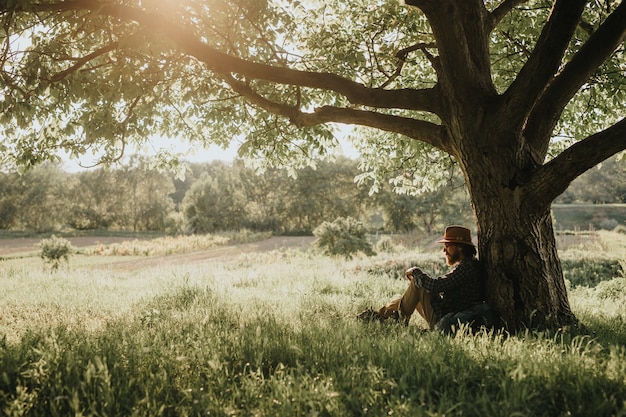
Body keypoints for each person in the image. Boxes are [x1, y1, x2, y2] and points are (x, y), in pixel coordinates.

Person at [358, 225, 493, 333]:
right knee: (418, 285)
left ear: (460, 247)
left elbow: (435, 286)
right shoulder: (468, 265)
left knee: (419, 284)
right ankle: (383, 316)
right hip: (446, 313)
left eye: (447, 246)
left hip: (444, 319)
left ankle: (384, 318)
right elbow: (441, 285)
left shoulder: (468, 267)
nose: (444, 251)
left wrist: (415, 271)